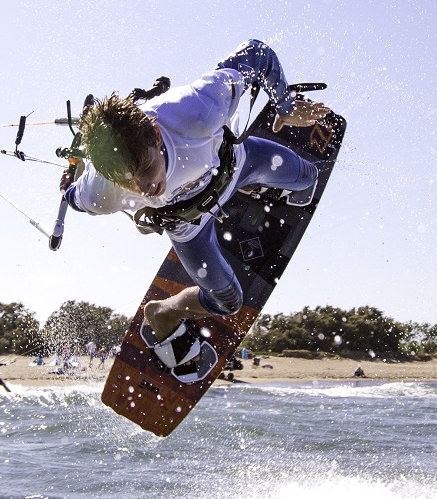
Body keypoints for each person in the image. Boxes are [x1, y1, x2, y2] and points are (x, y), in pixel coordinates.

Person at [60, 39, 329, 375]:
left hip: (240, 164)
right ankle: (163, 313)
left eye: (146, 168)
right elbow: (73, 197)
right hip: (188, 225)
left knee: (308, 177)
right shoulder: (102, 192)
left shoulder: (196, 110)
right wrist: (70, 178)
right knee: (228, 303)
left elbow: (257, 54)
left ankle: (262, 187)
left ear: (156, 133)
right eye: (130, 182)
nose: (145, 187)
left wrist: (284, 104)